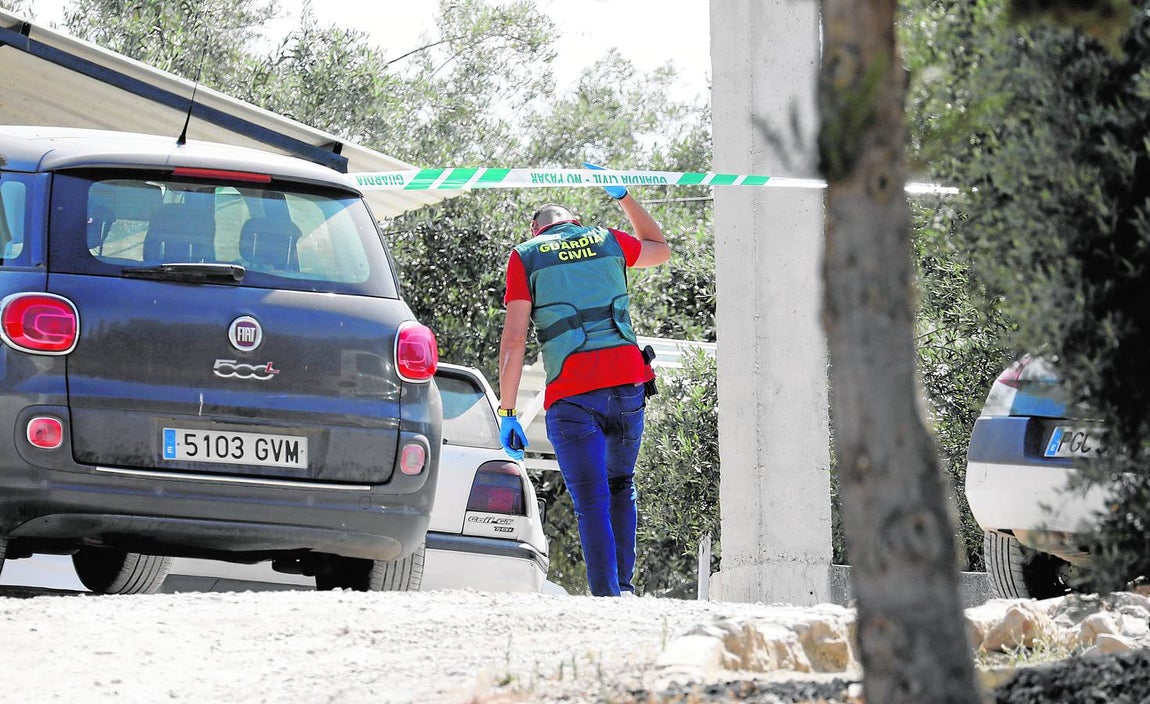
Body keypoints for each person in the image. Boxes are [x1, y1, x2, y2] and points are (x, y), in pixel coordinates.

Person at [496, 163, 672, 597]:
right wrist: (623, 194)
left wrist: (508, 409)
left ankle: (606, 597)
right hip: (628, 387)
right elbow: (660, 248)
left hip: (573, 397)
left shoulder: (526, 255)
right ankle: (625, 589)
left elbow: (514, 340)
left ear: (536, 228)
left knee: (591, 498)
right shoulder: (609, 240)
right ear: (573, 220)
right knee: (620, 485)